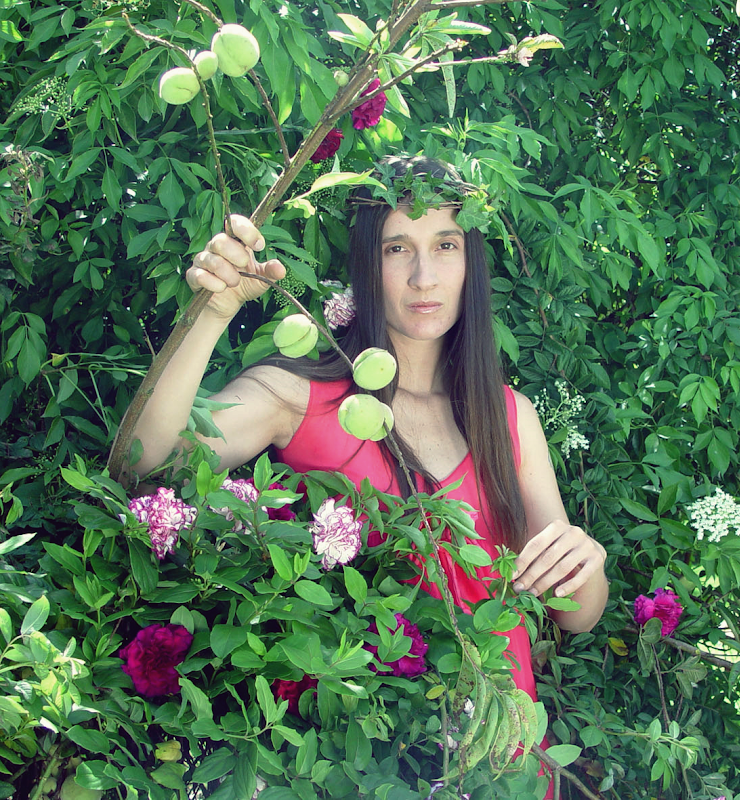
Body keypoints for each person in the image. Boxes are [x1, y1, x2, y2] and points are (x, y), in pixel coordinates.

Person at [128, 156, 608, 796]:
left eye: (445, 245)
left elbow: (577, 615)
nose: (423, 276)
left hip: (507, 764)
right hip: (372, 764)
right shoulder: (300, 397)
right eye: (397, 248)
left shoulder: (507, 415)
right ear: (366, 263)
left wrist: (585, 561)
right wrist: (211, 314)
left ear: (471, 262)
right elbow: (145, 463)